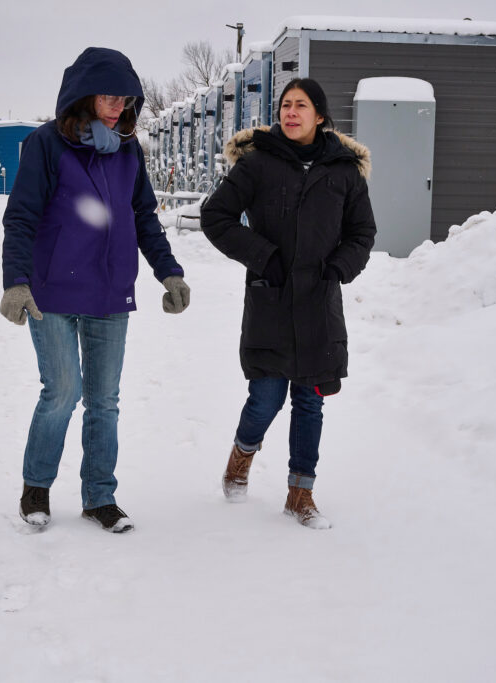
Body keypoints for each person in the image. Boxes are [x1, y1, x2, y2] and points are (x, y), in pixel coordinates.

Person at [0, 47, 191, 533]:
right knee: (63, 392)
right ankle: (36, 488)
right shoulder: (45, 144)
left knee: (104, 400)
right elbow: (21, 217)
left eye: (125, 98)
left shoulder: (128, 149)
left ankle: (99, 497)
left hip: (109, 290)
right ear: (83, 96)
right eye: (108, 95)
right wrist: (16, 282)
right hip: (52, 291)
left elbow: (143, 215)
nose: (117, 106)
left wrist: (168, 271)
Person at [200, 78, 376, 529]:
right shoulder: (258, 164)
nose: (290, 113)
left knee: (310, 401)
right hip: (270, 300)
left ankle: (301, 493)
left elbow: (362, 234)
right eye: (284, 105)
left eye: (301, 106)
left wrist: (337, 269)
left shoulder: (343, 172)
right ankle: (241, 456)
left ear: (320, 115)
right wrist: (263, 257)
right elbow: (215, 216)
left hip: (319, 304)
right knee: (266, 396)